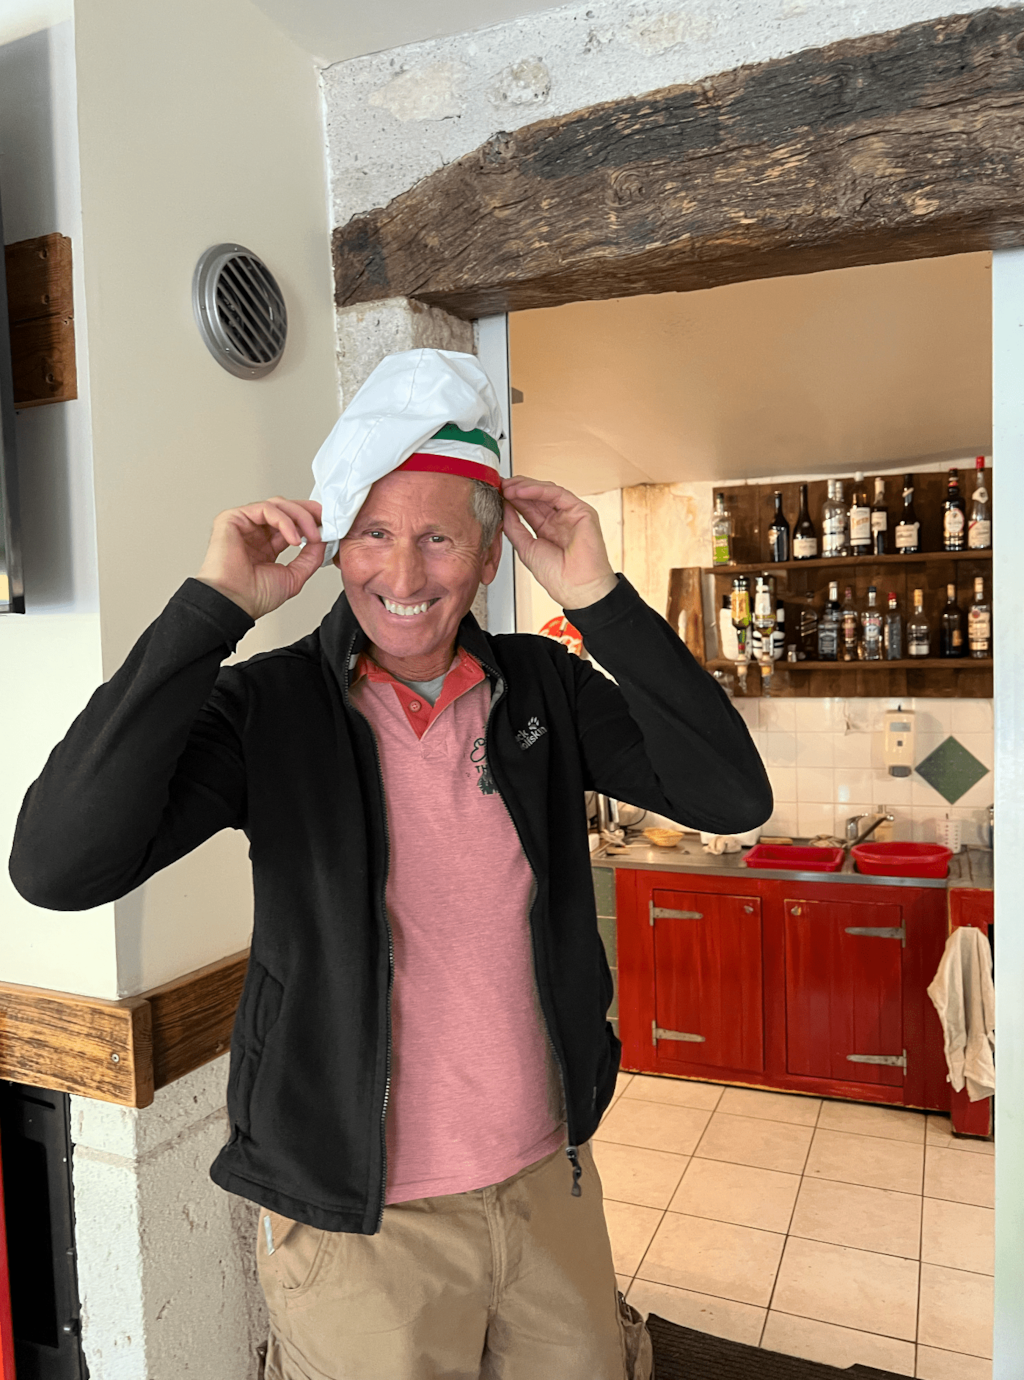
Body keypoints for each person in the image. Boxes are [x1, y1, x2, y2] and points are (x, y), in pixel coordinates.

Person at [9, 349, 772, 1380]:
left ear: (490, 557)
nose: (403, 577)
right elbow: (57, 866)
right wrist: (213, 606)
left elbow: (731, 797)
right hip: (361, 1220)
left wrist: (599, 598)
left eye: (438, 539)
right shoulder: (270, 708)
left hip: (547, 1183)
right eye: (372, 533)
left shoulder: (543, 687)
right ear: (332, 544)